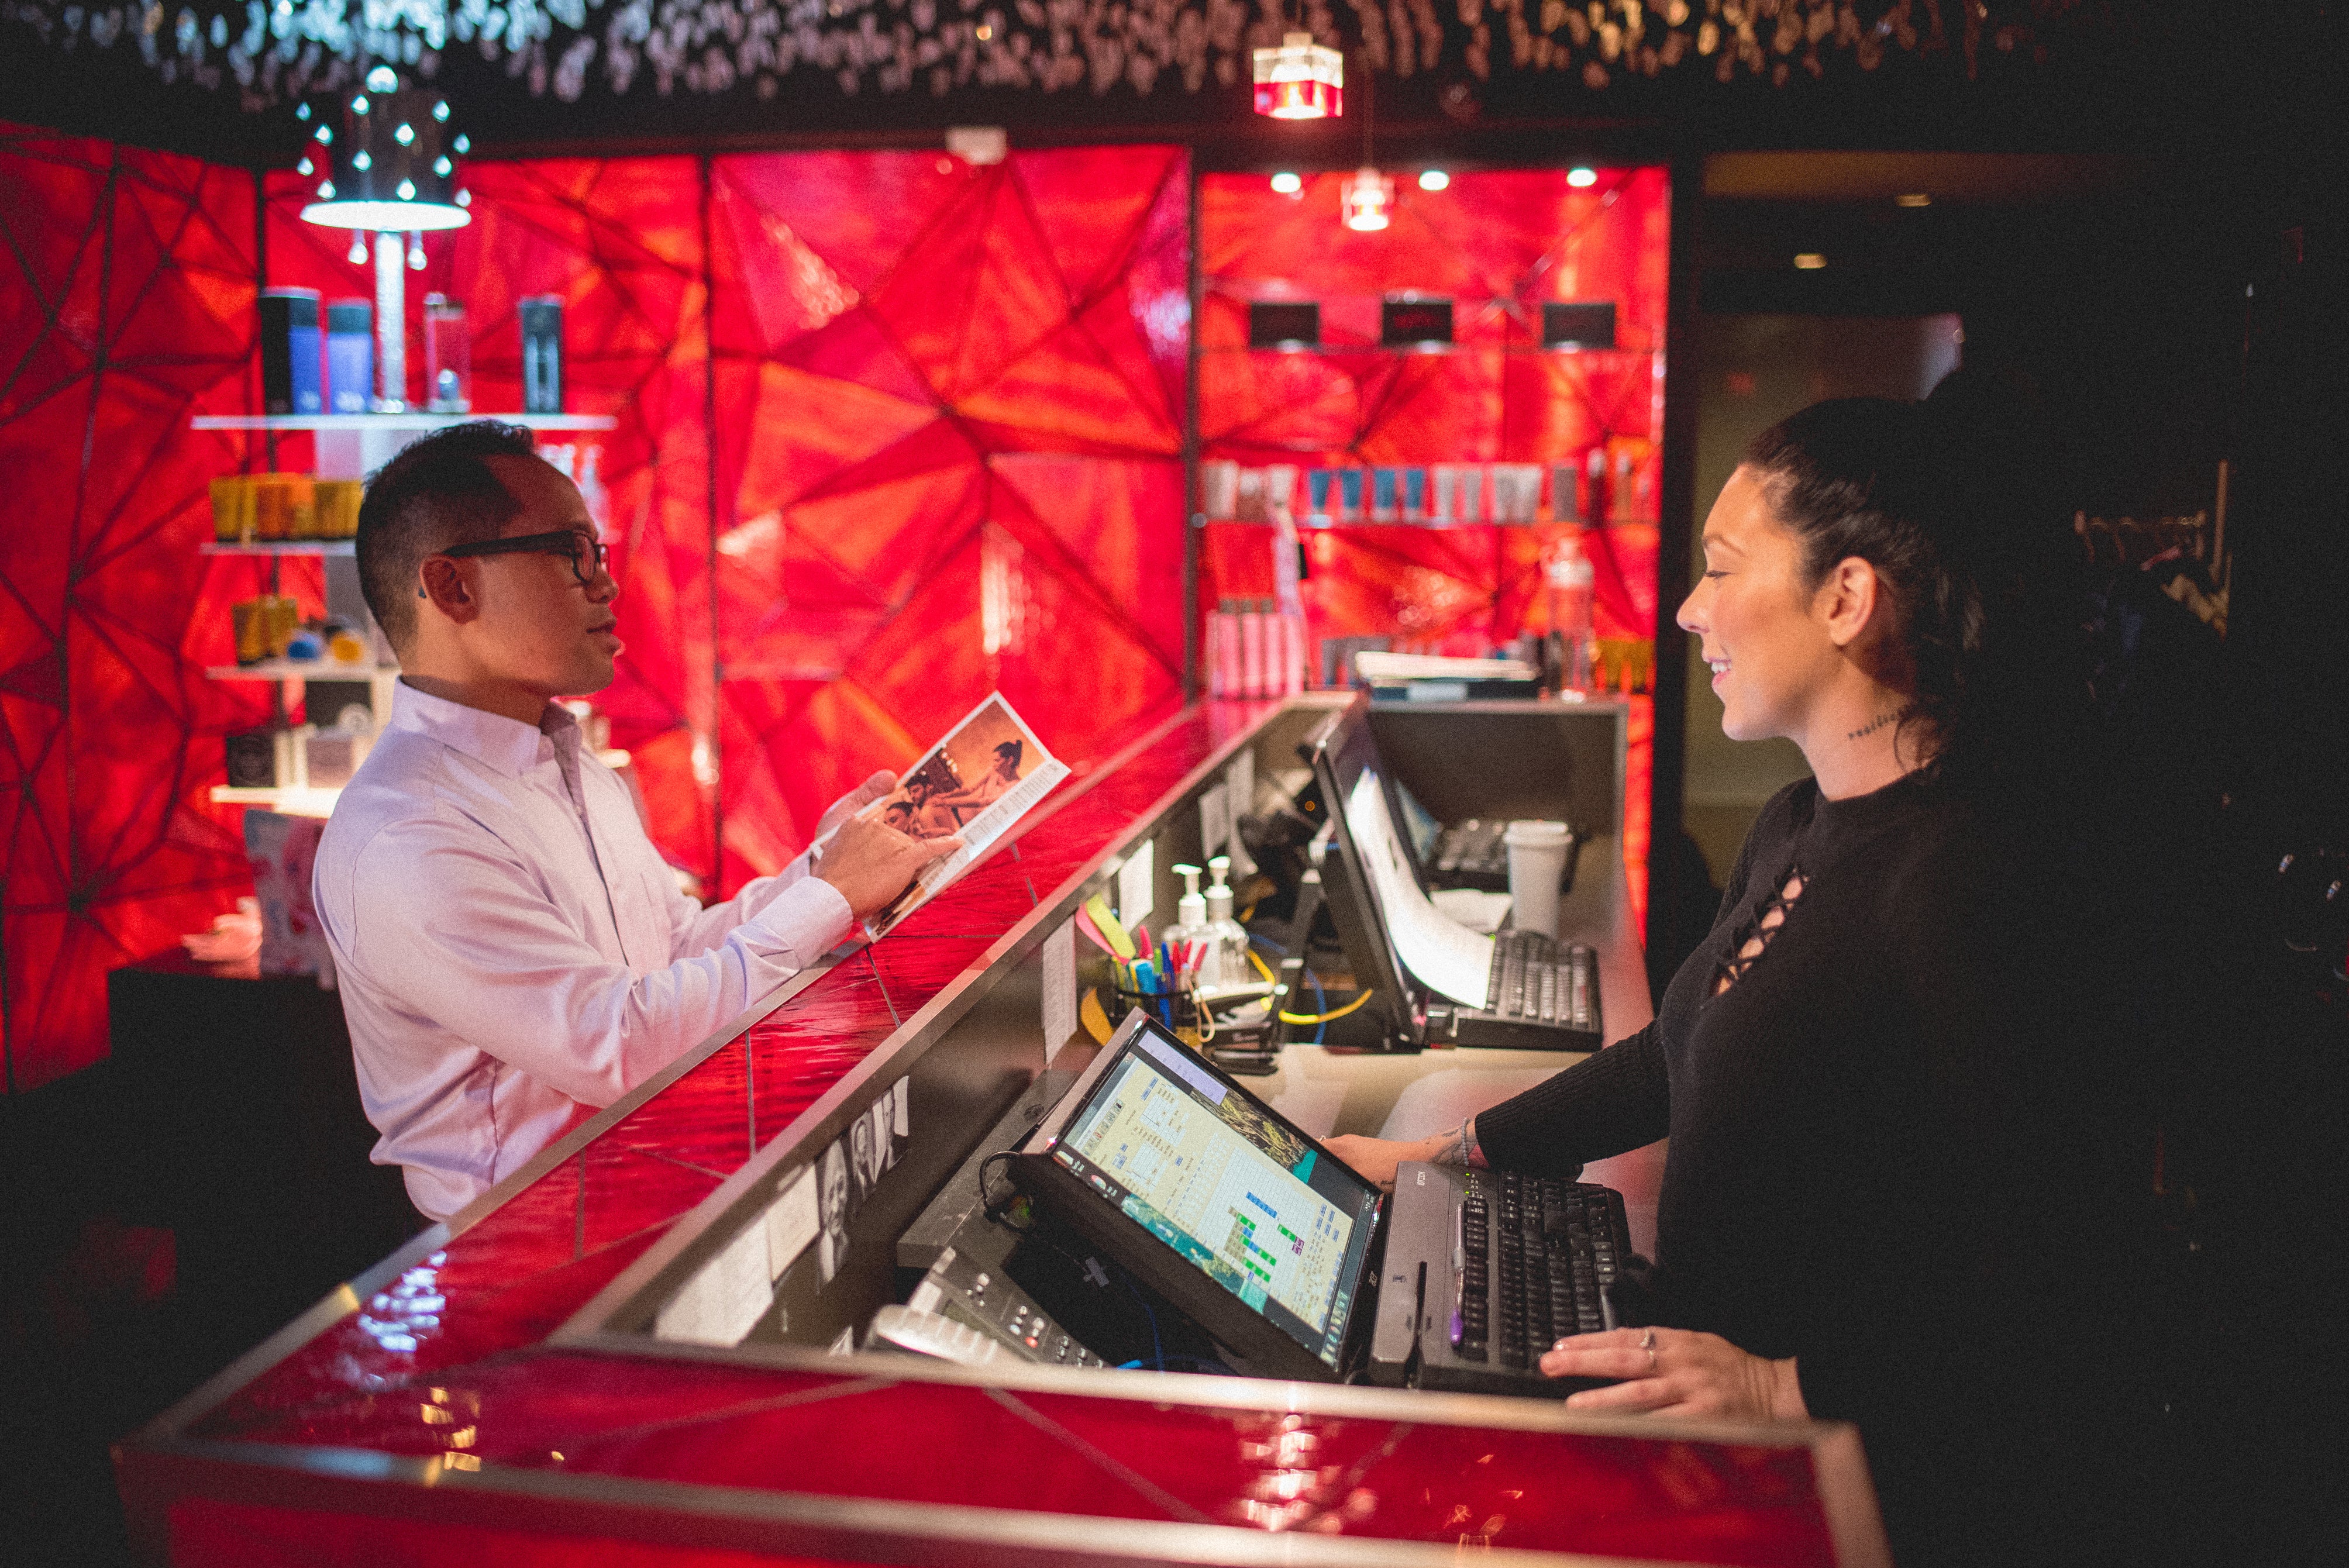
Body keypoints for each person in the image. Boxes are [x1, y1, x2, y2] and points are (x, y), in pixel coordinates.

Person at [1328, 396, 2163, 1565]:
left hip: (1854, 1486)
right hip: (1705, 1414)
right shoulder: (1796, 823)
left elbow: (2068, 1264)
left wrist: (1788, 1388)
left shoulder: (1969, 880)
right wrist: (1446, 1159)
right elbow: (1681, 1049)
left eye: (1720, 570)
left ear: (1846, 599)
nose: (1686, 609)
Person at [315, 422, 959, 1224]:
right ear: (452, 589)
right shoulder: (408, 833)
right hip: (524, 1256)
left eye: (602, 556)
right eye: (571, 553)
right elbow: (619, 1044)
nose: (606, 586)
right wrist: (828, 892)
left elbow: (677, 952)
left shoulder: (566, 759)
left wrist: (826, 867)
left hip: (653, 1202)